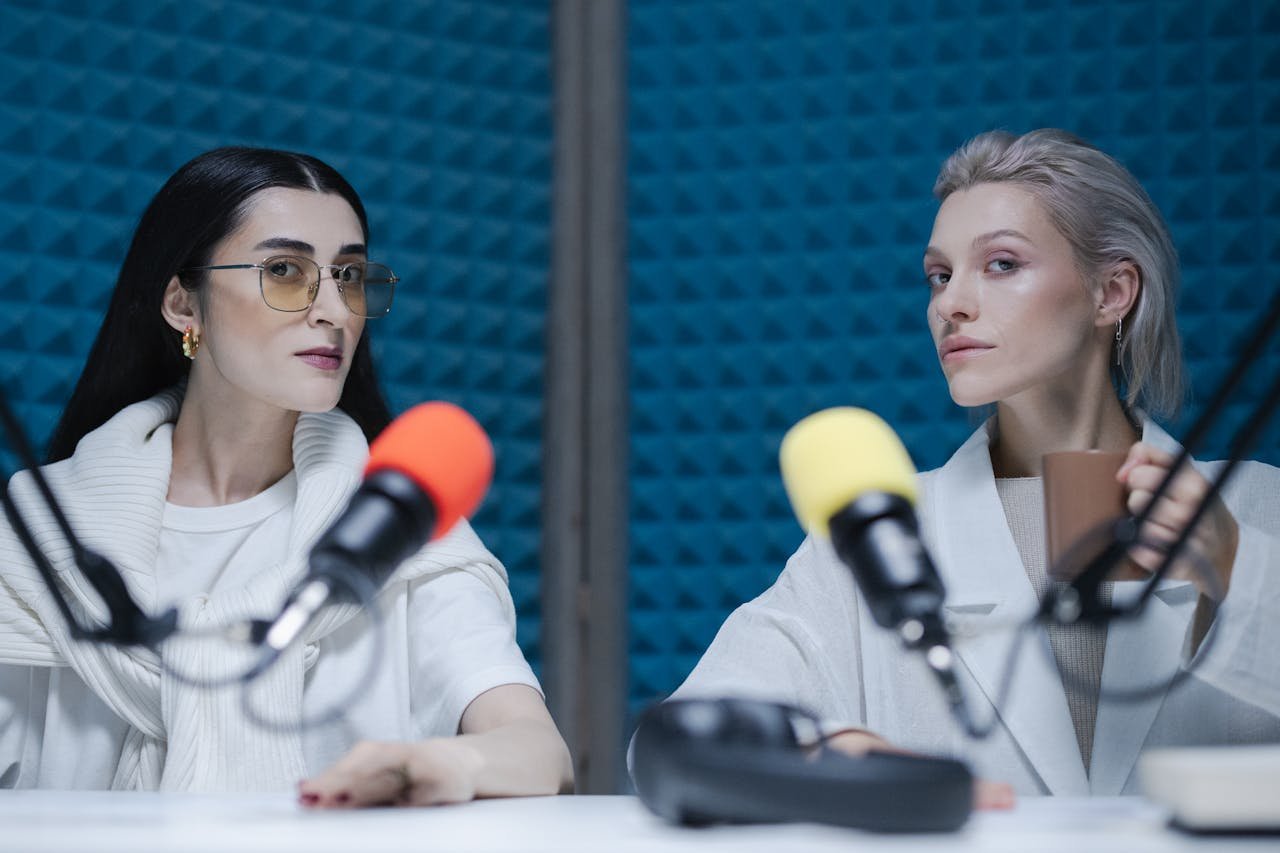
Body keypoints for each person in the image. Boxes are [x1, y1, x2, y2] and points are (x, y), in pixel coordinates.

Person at [660, 129, 1280, 801]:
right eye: (940, 274)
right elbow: (679, 737)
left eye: (1002, 264)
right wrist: (823, 754)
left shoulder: (1256, 506)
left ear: (1112, 293)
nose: (949, 304)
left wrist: (1237, 564)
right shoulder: (871, 535)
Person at [0, 147, 572, 806]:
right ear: (184, 304)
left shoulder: (400, 523)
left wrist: (441, 764)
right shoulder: (40, 534)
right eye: (285, 270)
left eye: (350, 275)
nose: (333, 308)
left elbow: (538, 751)